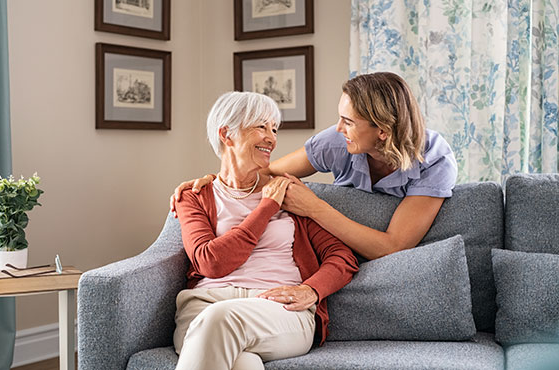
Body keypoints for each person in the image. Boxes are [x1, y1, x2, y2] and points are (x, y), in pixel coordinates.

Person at [172, 72, 458, 260]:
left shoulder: (434, 159)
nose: (338, 127)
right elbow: (264, 173)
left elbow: (394, 247)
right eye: (340, 117)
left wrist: (313, 207)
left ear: (382, 130)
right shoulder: (336, 142)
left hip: (391, 262)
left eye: (348, 122)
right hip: (337, 253)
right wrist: (214, 181)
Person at [173, 91, 359, 370]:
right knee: (243, 364)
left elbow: (342, 257)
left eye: (274, 129)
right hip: (205, 304)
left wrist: (311, 290)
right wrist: (266, 208)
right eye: (261, 126)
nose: (272, 138)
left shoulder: (290, 192)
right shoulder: (195, 195)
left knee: (220, 320)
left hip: (278, 309)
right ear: (227, 134)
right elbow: (210, 262)